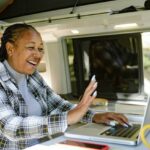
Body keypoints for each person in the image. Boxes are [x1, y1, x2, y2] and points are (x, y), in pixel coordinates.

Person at [0, 23, 128, 150]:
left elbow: (58, 105)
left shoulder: (34, 77)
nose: (38, 55)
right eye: (30, 47)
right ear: (10, 49)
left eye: (40, 49)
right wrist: (68, 118)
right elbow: (12, 128)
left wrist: (94, 116)